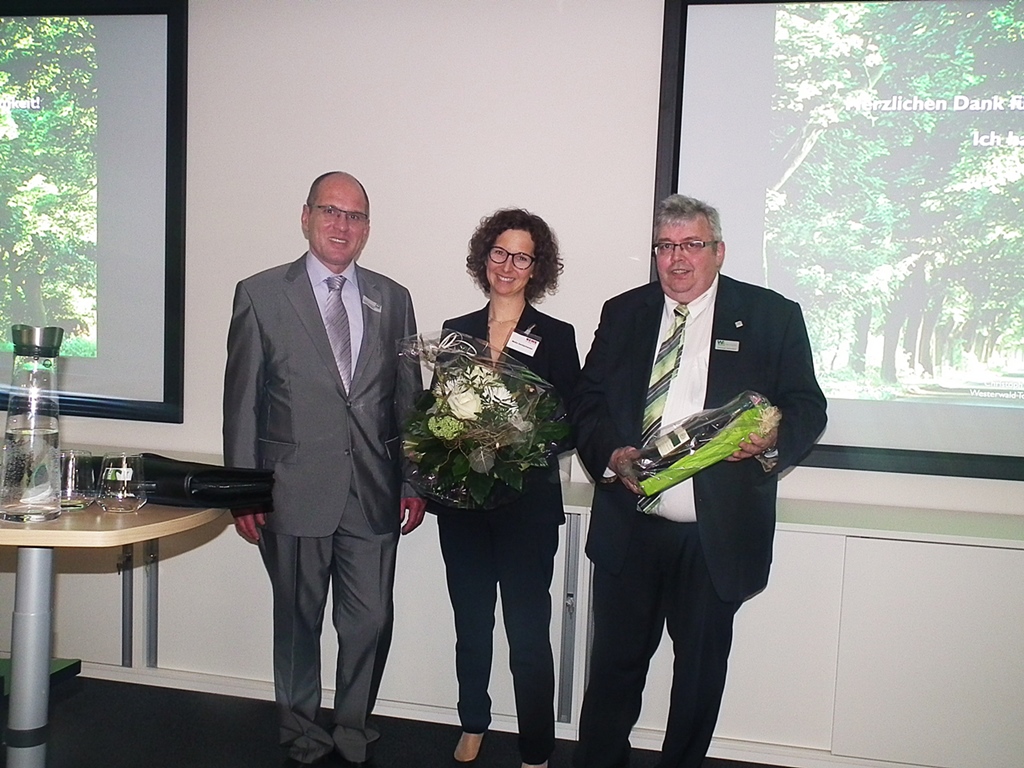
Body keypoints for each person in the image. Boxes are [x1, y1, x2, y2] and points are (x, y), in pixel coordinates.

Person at [571, 194, 827, 768]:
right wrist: (611, 453)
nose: (677, 261)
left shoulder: (771, 315)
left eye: (691, 245)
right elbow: (586, 402)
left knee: (698, 679)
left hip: (715, 538)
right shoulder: (625, 312)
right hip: (632, 529)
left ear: (719, 251)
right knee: (612, 671)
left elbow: (808, 405)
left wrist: (772, 439)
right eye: (665, 246)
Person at [222, 171, 426, 766]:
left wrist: (413, 479)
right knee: (297, 624)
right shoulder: (260, 294)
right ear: (306, 215)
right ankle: (302, 731)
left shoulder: (393, 298)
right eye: (331, 211)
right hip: (290, 493)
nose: (343, 225)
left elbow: (408, 399)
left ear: (367, 229)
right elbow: (242, 403)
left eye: (356, 216)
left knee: (369, 622)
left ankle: (353, 727)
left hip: (373, 492)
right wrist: (245, 493)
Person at [435, 209, 580, 768]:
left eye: (521, 256)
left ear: (536, 266)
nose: (508, 265)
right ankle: (473, 720)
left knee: (527, 631)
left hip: (527, 508)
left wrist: (519, 438)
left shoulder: (557, 337)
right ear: (484, 257)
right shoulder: (456, 331)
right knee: (470, 624)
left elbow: (568, 422)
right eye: (500, 252)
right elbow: (439, 417)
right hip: (464, 505)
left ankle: (537, 745)